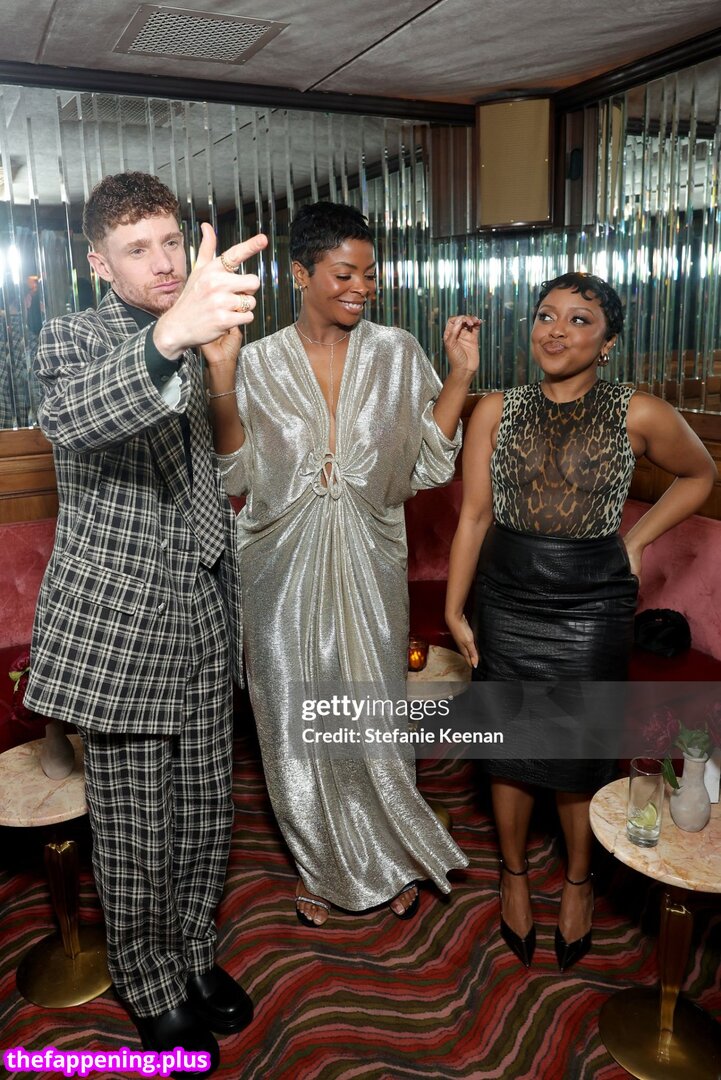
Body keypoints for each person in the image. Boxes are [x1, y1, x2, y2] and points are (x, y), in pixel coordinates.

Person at [25, 170, 267, 1076]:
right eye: (138, 249)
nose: (163, 262)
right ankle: (147, 979)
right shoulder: (73, 338)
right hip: (123, 624)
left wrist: (220, 370)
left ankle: (193, 952)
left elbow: (229, 477)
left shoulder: (204, 336)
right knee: (135, 825)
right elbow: (72, 417)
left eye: (171, 242)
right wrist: (171, 337)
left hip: (204, 604)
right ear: (100, 263)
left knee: (206, 807)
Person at [209, 201, 478, 926]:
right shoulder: (257, 360)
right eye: (343, 273)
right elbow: (234, 473)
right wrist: (222, 374)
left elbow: (428, 462)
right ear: (300, 274)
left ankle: (387, 854)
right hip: (277, 563)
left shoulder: (396, 352)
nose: (362, 287)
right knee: (293, 721)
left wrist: (458, 375)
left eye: (369, 274)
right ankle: (320, 866)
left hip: (371, 554)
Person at [445, 272, 716, 970]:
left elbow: (699, 475)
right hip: (506, 594)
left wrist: (635, 540)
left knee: (576, 750)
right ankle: (511, 876)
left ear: (608, 341)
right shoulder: (495, 409)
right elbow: (473, 516)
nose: (556, 331)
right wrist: (453, 606)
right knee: (507, 748)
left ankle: (576, 881)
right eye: (545, 316)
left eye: (578, 319)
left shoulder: (638, 411)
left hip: (591, 602)